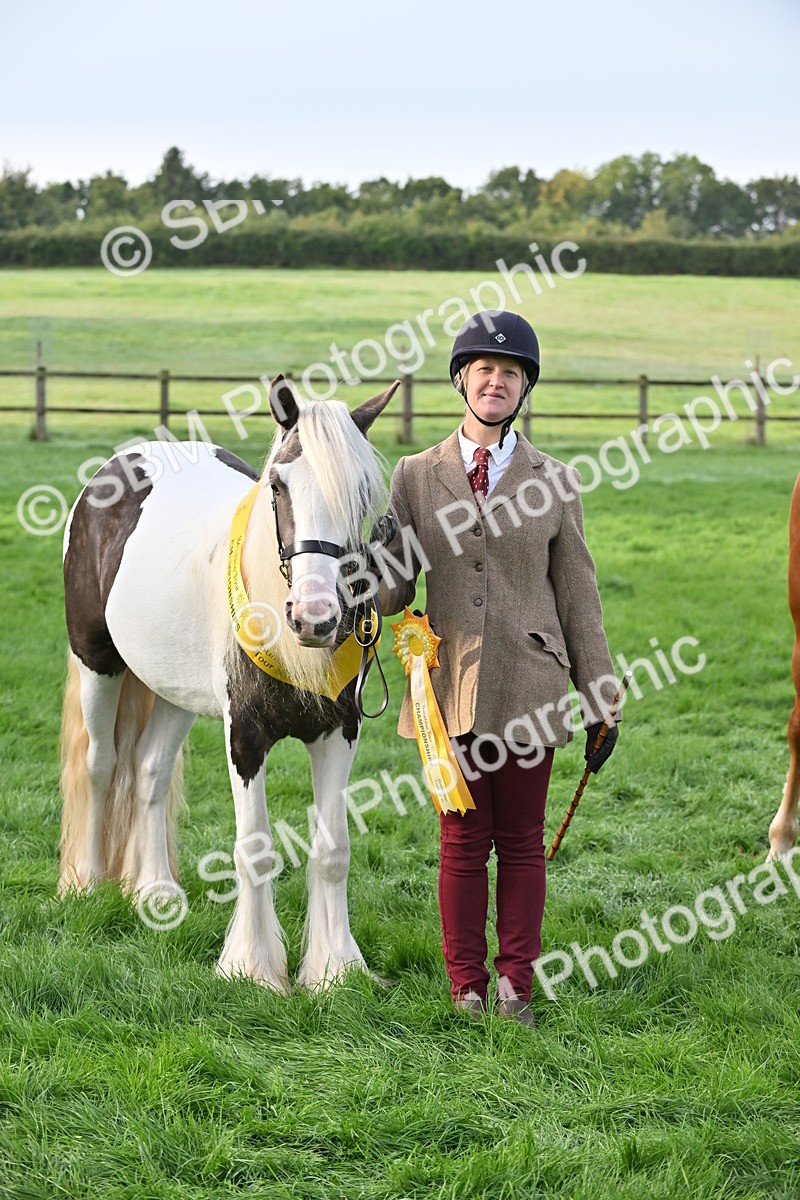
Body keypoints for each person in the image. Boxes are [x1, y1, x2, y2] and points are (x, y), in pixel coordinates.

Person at [376, 309, 620, 1028]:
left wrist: (601, 692)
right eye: (483, 369)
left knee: (520, 844)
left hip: (532, 688)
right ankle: (466, 987)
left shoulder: (557, 480)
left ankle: (515, 985)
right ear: (462, 381)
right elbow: (395, 590)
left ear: (523, 389)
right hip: (447, 689)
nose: (495, 380)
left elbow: (579, 593)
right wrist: (370, 558)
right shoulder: (415, 476)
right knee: (460, 843)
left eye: (509, 372)